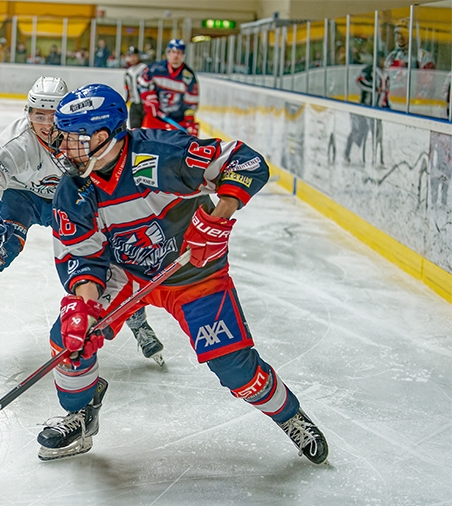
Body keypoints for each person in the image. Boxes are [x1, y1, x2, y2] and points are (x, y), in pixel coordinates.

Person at [35, 83, 329, 467]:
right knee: (70, 336)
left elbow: (245, 162)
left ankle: (291, 417)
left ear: (103, 137)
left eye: (73, 139)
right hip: (129, 275)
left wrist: (217, 218)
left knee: (234, 367)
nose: (62, 149)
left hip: (193, 272)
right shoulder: (73, 191)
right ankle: (79, 413)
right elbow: (83, 257)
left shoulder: (160, 153)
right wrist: (85, 306)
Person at [0, 77, 165, 368]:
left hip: (70, 199)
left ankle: (138, 322)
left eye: (53, 114)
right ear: (27, 113)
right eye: (38, 114)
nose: (46, 123)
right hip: (22, 197)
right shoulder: (17, 142)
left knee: (111, 256)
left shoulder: (82, 136)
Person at [139, 39, 199, 135]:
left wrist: (190, 122)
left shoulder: (188, 76)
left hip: (177, 121)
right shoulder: (155, 69)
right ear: (168, 53)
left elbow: (191, 102)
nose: (175, 55)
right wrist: (150, 99)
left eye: (179, 53)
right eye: (173, 52)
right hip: (154, 119)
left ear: (183, 55)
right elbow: (142, 82)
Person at [124, 46, 147, 129]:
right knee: (134, 129)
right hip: (134, 105)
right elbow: (127, 89)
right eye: (130, 56)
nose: (132, 58)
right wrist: (125, 102)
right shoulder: (128, 72)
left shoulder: (144, 68)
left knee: (147, 129)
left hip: (145, 104)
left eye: (134, 56)